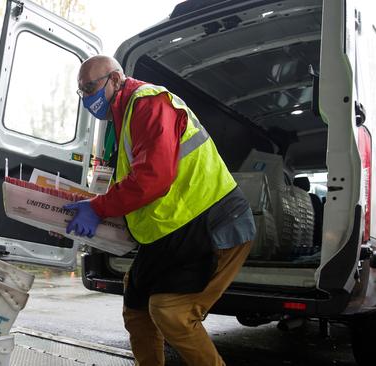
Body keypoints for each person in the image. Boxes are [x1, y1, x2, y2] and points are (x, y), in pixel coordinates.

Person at [65, 55, 255, 366]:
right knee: (137, 309)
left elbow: (153, 178)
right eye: (81, 91)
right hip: (171, 233)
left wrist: (98, 208)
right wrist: (76, 217)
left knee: (171, 313)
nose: (87, 97)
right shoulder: (124, 117)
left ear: (115, 79)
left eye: (90, 87)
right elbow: (134, 188)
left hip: (212, 224)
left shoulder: (148, 103)